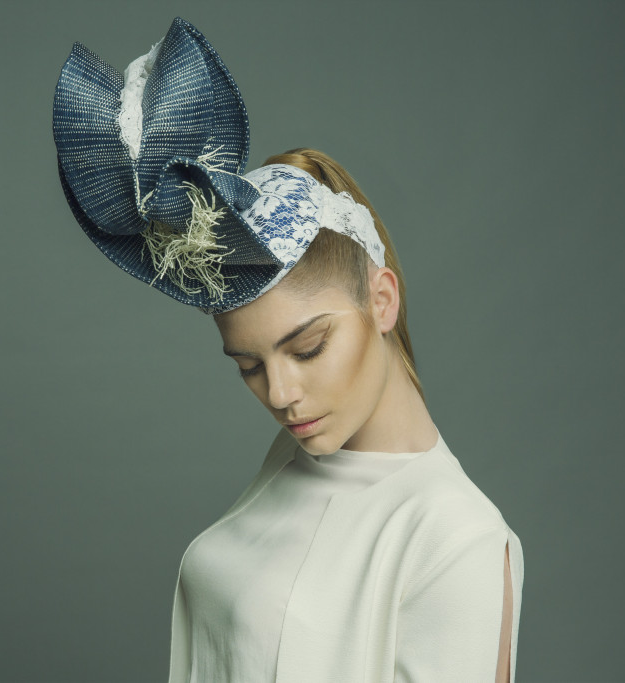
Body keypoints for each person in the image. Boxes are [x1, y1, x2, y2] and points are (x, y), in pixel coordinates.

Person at [53, 17, 523, 683]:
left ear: (381, 300)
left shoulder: (456, 540)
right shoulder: (297, 458)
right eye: (249, 365)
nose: (279, 394)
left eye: (308, 347)